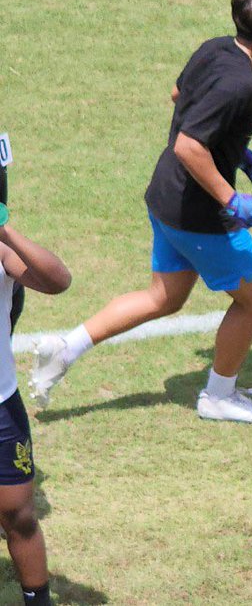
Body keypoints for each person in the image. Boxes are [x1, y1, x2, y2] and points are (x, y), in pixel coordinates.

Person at [29, 0, 252, 423]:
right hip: (200, 214)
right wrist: (231, 198)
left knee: (164, 297)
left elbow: (180, 97)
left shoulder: (215, 49)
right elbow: (190, 146)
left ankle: (65, 349)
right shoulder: (241, 84)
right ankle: (218, 396)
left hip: (166, 196)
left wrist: (231, 147)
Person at [0, 205, 73, 605]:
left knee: (19, 516)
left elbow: (57, 280)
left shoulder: (0, 246)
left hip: (1, 406)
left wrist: (5, 232)